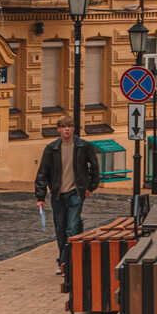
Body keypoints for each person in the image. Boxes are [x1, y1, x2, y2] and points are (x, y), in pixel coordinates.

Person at [33, 115, 99, 291]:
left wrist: (90, 186)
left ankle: (65, 262)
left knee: (71, 226)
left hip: (76, 192)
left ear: (74, 129)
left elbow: (94, 167)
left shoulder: (83, 146)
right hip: (57, 194)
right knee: (60, 228)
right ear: (58, 130)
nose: (67, 130)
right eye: (63, 127)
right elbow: (42, 173)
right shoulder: (51, 148)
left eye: (69, 126)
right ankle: (64, 258)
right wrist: (40, 197)